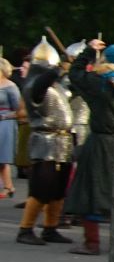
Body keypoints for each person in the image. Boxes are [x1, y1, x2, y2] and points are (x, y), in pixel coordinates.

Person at [64, 40, 114, 255]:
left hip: (101, 143)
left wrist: (89, 51)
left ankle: (92, 243)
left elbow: (75, 73)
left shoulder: (98, 83)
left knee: (90, 192)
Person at [16, 39, 75, 245]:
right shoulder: (35, 85)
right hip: (45, 141)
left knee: (58, 191)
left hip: (63, 142)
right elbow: (44, 81)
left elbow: (72, 83)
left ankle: (50, 228)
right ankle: (25, 229)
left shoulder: (56, 86)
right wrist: (60, 68)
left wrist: (75, 64)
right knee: (41, 189)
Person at [0, 57, 20, 201]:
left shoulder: (10, 86)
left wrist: (4, 116)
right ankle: (8, 186)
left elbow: (19, 110)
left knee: (2, 157)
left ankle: (8, 186)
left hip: (5, 123)